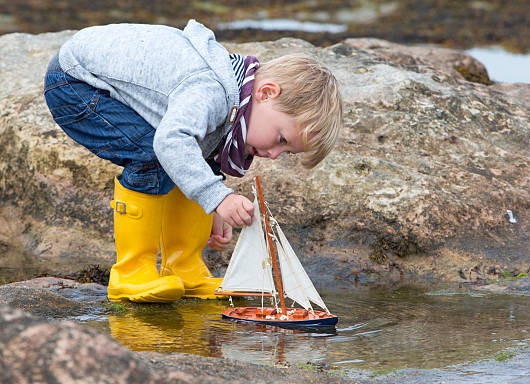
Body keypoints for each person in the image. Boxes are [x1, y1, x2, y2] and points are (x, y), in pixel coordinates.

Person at [43, 19, 342, 303]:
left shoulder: (234, 100)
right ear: (266, 93)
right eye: (281, 139)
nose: (274, 155)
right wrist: (216, 197)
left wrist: (211, 206)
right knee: (151, 154)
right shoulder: (212, 91)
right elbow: (170, 141)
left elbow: (199, 154)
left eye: (286, 152)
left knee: (196, 157)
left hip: (100, 84)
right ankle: (131, 273)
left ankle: (184, 268)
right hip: (76, 81)